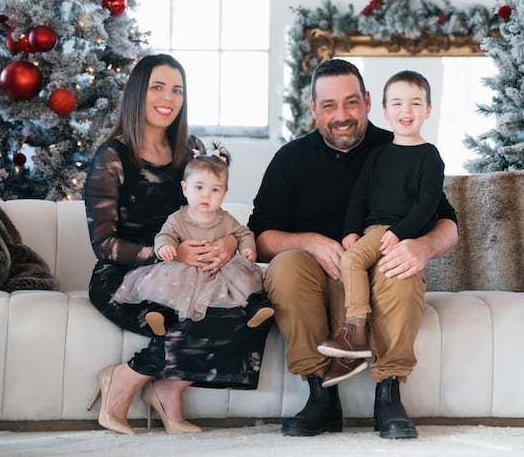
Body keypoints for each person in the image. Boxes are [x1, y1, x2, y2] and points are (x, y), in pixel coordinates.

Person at [248, 59, 458, 440]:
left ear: (367, 102)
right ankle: (321, 398)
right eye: (329, 105)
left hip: (379, 275)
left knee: (400, 267)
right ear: (314, 108)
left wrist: (424, 246)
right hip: (315, 279)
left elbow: (448, 223)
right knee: (285, 267)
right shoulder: (291, 159)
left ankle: (389, 395)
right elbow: (259, 239)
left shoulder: (400, 147)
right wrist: (309, 241)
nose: (342, 116)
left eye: (351, 102)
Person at [84, 54, 272, 436]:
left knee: (254, 311)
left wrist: (226, 243)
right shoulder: (112, 157)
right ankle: (123, 379)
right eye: (158, 87)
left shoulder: (191, 151)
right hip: (125, 277)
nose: (168, 98)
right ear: (137, 93)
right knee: (196, 319)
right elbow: (103, 244)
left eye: (177, 90)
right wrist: (168, 253)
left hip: (193, 272)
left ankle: (169, 390)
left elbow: (213, 214)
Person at [317, 70, 444, 376]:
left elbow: (428, 204)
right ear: (385, 111)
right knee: (352, 259)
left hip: (400, 232)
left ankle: (354, 332)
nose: (406, 110)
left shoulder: (430, 156)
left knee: (352, 261)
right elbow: (359, 197)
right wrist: (350, 231)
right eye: (397, 103)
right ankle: (355, 336)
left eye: (415, 103)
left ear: (428, 110)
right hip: (373, 230)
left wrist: (401, 232)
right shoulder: (378, 155)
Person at [111, 148, 274, 335]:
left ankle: (254, 308)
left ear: (224, 192)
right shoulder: (178, 218)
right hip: (186, 270)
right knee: (170, 288)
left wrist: (247, 249)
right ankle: (161, 314)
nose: (206, 195)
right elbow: (165, 234)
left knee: (241, 282)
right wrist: (165, 247)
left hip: (219, 271)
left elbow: (243, 233)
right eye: (199, 187)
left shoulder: (227, 219)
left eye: (215, 189)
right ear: (185, 188)